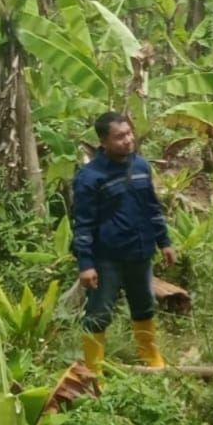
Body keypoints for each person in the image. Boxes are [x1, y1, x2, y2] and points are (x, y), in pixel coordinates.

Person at [71, 111, 175, 375]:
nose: (128, 140)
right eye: (119, 137)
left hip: (140, 252)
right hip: (107, 258)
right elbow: (82, 223)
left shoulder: (140, 166)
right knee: (99, 312)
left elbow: (152, 207)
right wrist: (86, 264)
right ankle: (94, 369)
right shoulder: (90, 177)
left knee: (144, 305)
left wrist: (164, 241)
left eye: (129, 133)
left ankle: (149, 355)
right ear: (103, 142)